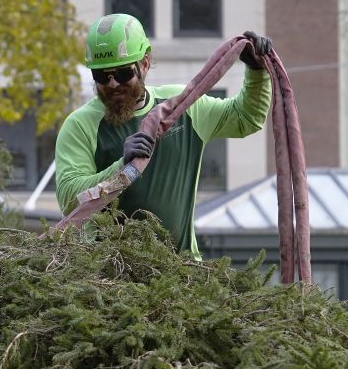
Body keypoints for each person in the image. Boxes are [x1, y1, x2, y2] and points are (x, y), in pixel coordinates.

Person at [54, 13, 274, 259]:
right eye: (102, 76)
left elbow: (246, 119)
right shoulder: (80, 125)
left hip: (183, 275)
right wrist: (121, 168)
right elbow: (69, 201)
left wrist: (256, 71)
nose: (113, 84)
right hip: (110, 281)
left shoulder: (183, 105)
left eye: (123, 73)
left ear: (145, 63)